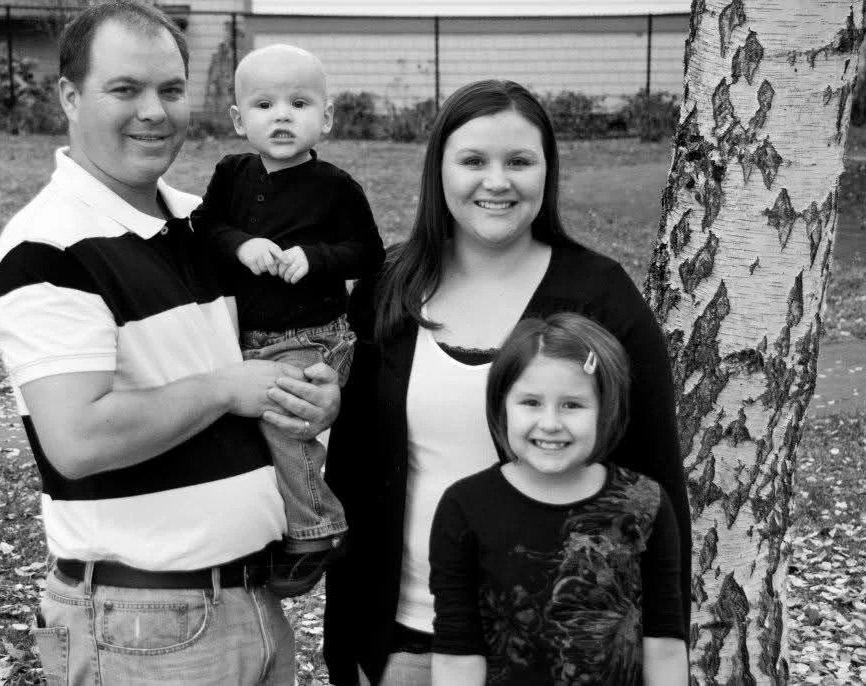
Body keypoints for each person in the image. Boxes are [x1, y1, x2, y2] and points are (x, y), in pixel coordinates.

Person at [0, 3, 340, 684]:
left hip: (251, 603)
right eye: (125, 89)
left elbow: (253, 365)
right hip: (140, 624)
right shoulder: (47, 246)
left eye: (171, 90)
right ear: (69, 97)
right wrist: (225, 389)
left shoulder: (203, 224)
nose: (154, 111)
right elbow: (78, 439)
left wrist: (307, 395)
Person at [323, 80, 691, 686]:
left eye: (519, 161)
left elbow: (658, 491)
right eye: (473, 161)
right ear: (438, 170)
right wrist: (352, 647)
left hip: (565, 654)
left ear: (548, 171)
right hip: (406, 642)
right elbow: (353, 471)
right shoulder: (389, 286)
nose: (496, 182)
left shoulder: (603, 299)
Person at [189, 43, 385, 597]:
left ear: (326, 118)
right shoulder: (232, 174)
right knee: (243, 432)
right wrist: (241, 243)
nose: (281, 116)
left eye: (299, 104)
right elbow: (204, 227)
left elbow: (368, 253)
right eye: (264, 104)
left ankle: (317, 528)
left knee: (284, 418)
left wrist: (316, 258)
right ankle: (272, 525)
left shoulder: (336, 187)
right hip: (246, 336)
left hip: (314, 336)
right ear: (239, 120)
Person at [429, 314, 687, 686]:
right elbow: (458, 658)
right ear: (503, 404)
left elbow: (664, 647)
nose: (550, 423)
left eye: (572, 405)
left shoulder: (645, 505)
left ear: (605, 409)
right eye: (531, 402)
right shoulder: (464, 508)